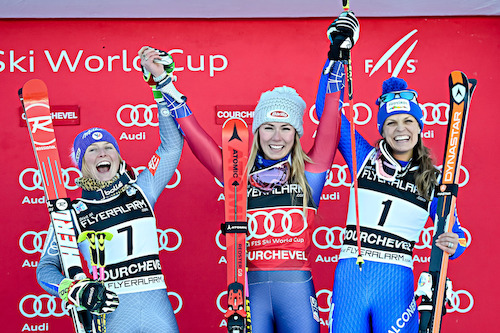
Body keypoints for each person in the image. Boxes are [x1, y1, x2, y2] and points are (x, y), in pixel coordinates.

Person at [138, 11, 359, 333]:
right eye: (268, 127)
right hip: (248, 289)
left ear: (296, 134)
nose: (277, 137)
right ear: (256, 132)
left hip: (296, 290)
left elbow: (330, 119)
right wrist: (163, 82)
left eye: (286, 129)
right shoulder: (235, 171)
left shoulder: (311, 173)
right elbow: (196, 137)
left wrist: (339, 55)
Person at [316, 28, 468, 332]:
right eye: (392, 122)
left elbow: (456, 233)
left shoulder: (435, 178)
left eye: (408, 121)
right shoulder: (362, 155)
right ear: (382, 129)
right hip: (351, 280)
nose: (401, 129)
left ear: (419, 126)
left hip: (395, 283)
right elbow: (326, 110)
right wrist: (337, 55)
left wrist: (456, 242)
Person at [35, 54, 184, 332]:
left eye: (108, 147)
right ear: (81, 163)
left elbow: (172, 148)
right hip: (112, 312)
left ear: (117, 156)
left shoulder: (142, 189)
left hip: (157, 306)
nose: (102, 152)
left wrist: (161, 87)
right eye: (92, 150)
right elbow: (45, 269)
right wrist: (73, 290)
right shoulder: (71, 212)